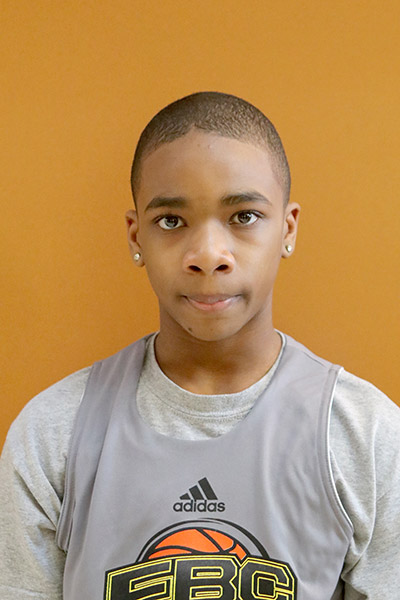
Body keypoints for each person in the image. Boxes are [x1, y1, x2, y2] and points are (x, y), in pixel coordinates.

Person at [0, 92, 399, 600]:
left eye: (244, 216)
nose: (209, 256)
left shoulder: (366, 436)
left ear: (288, 229)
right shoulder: (52, 434)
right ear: (136, 236)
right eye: (171, 220)